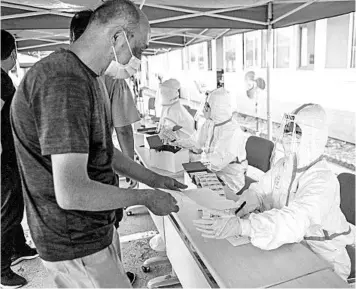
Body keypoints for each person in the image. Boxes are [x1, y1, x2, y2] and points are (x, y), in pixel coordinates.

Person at [10, 1, 186, 288]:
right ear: (117, 37)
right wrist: (145, 198)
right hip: (75, 242)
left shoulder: (86, 76)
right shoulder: (63, 81)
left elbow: (103, 151)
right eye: (138, 48)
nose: (138, 58)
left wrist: (155, 179)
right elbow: (71, 191)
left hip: (90, 235)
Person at [194, 103, 355, 281]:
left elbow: (294, 221)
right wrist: (238, 209)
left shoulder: (322, 180)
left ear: (313, 137)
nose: (288, 136)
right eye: (287, 129)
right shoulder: (283, 166)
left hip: (323, 259)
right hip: (289, 246)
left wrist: (245, 226)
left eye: (296, 131)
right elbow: (259, 192)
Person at [69, 9, 141, 285]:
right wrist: (134, 176)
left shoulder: (63, 74)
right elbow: (123, 128)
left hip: (69, 193)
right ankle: (117, 277)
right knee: (106, 233)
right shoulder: (109, 78)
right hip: (93, 179)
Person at [1, 29, 39, 289]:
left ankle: (18, 246)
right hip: (3, 160)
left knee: (14, 206)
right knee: (8, 210)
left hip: (9, 157)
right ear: (13, 53)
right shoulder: (0, 81)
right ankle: (2, 270)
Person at [157, 78, 195, 144]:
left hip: (184, 144)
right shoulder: (171, 106)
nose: (162, 94)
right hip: (181, 142)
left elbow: (169, 132)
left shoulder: (175, 110)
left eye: (164, 92)